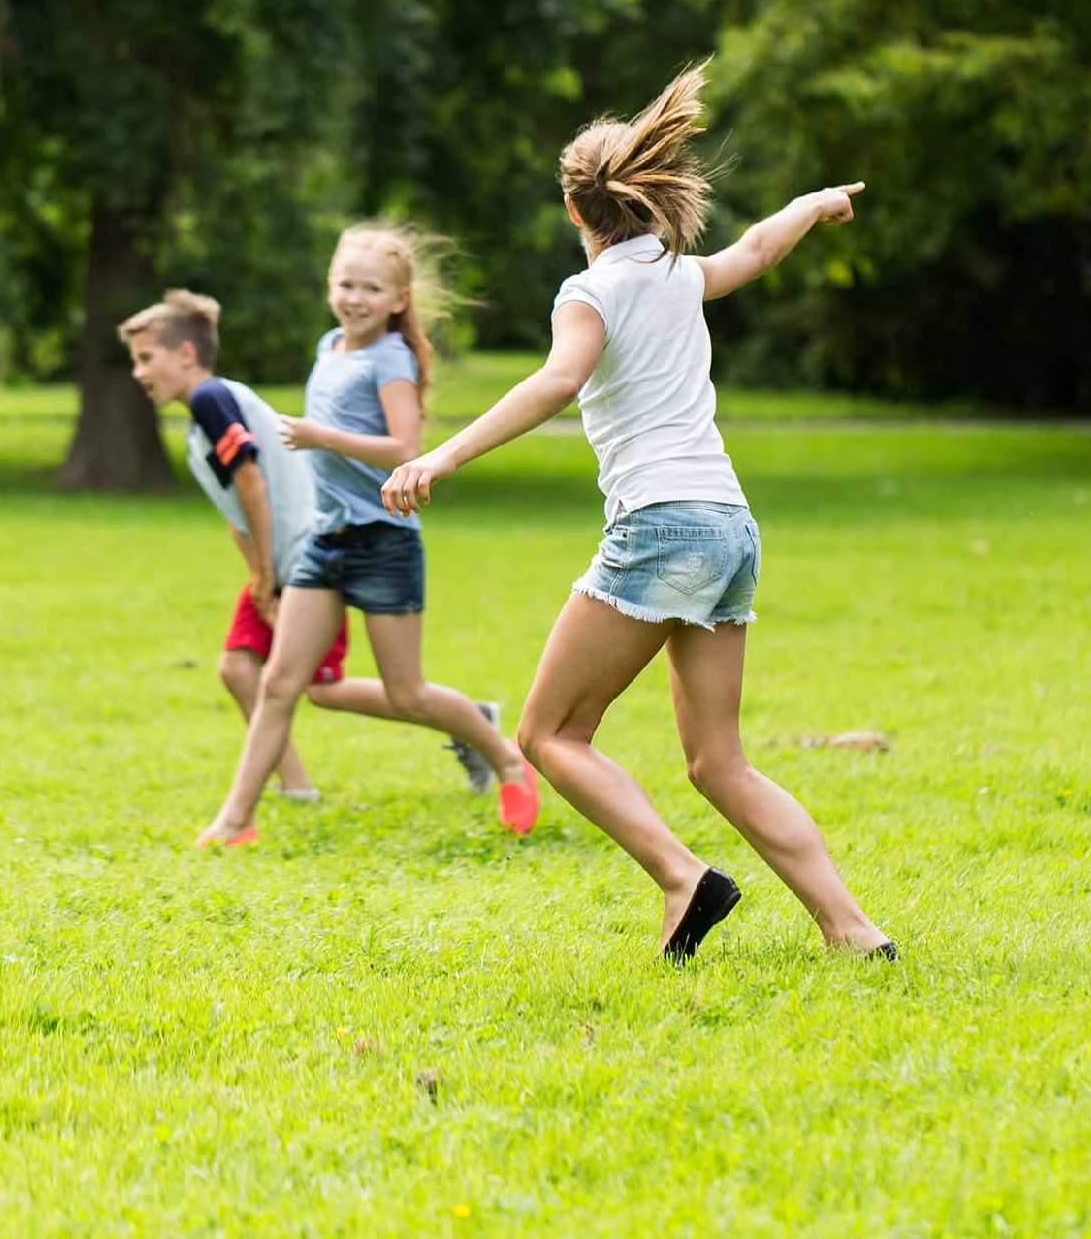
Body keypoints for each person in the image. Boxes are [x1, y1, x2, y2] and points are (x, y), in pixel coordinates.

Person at [381, 62, 893, 960]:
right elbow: (760, 250)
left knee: (548, 732)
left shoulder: (592, 291)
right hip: (730, 528)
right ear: (649, 202)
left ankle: (681, 876)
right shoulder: (676, 275)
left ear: (577, 212)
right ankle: (852, 930)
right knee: (717, 762)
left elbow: (558, 379)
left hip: (659, 526)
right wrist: (812, 203)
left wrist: (444, 452)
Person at [192, 226, 535, 847]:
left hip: (383, 540)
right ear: (330, 286)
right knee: (280, 683)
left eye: (371, 289)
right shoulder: (330, 347)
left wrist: (323, 437)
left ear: (398, 299)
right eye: (345, 284)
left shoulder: (390, 360)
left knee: (407, 693)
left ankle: (507, 757)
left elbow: (403, 449)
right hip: (327, 541)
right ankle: (234, 821)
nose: (355, 298)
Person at [122, 290, 492, 805]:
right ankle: (296, 786)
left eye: (145, 358)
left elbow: (251, 484)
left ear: (185, 354)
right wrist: (258, 574)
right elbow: (237, 513)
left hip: (309, 555)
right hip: (281, 559)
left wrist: (270, 577)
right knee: (242, 668)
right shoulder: (199, 421)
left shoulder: (211, 400)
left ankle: (471, 720)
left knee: (320, 687)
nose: (138, 373)